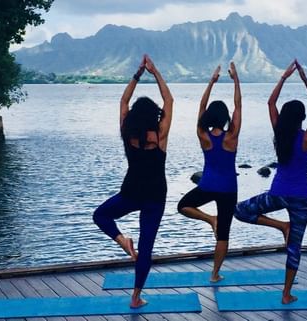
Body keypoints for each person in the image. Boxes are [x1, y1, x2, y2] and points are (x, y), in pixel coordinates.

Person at [234, 59, 307, 304]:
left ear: (284, 117)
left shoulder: (280, 134)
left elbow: (271, 103)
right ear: (302, 118)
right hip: (301, 198)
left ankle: (279, 226)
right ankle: (286, 294)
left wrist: (284, 77)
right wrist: (304, 79)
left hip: (278, 194)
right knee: (294, 247)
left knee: (239, 211)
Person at [93, 54, 173, 308]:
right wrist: (155, 72)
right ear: (153, 115)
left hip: (131, 191)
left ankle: (121, 239)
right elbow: (169, 100)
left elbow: (124, 100)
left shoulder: (128, 132)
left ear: (135, 117)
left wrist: (138, 74)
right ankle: (136, 297)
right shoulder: (159, 135)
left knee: (101, 215)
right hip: (156, 195)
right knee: (146, 246)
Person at [177, 63, 242, 282]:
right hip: (229, 189)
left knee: (182, 206)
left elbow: (202, 106)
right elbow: (238, 106)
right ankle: (214, 274)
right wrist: (236, 80)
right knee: (223, 234)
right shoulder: (231, 137)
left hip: (207, 185)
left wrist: (212, 82)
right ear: (224, 118)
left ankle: (208, 219)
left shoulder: (203, 135)